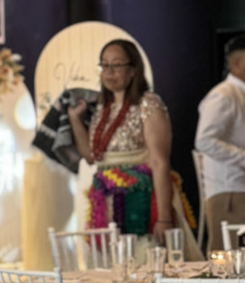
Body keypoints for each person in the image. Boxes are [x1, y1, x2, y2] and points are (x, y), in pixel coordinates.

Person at [67, 40, 175, 243]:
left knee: (142, 259)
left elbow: (160, 162)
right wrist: (75, 119)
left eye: (116, 65)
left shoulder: (148, 104)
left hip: (141, 201)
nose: (109, 72)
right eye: (104, 65)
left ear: (132, 70)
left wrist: (163, 218)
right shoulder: (102, 107)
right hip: (106, 206)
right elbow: (91, 157)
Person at [194, 34, 245, 252]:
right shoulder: (223, 95)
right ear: (236, 63)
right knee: (231, 261)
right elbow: (204, 140)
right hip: (230, 189)